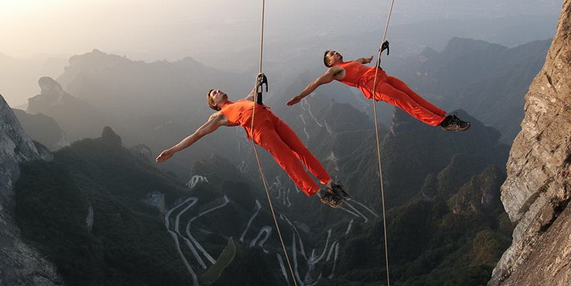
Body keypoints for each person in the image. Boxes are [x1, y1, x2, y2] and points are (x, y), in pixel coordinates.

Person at [156, 87, 349, 208]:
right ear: (214, 105)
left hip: (272, 120)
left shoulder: (239, 101)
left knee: (301, 150)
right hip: (261, 131)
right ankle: (321, 193)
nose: (217, 91)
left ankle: (331, 183)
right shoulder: (219, 116)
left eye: (216, 89)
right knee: (289, 160)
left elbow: (252, 93)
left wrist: (258, 81)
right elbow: (197, 134)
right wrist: (172, 150)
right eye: (213, 93)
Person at [286, 50, 470, 131]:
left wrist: (368, 59)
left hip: (383, 78)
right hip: (376, 86)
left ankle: (444, 116)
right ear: (330, 62)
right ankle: (442, 123)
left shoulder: (349, 63)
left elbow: (360, 60)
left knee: (413, 96)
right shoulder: (334, 71)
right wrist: (300, 96)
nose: (335, 53)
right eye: (331, 55)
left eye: (334, 51)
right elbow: (316, 82)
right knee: (408, 103)